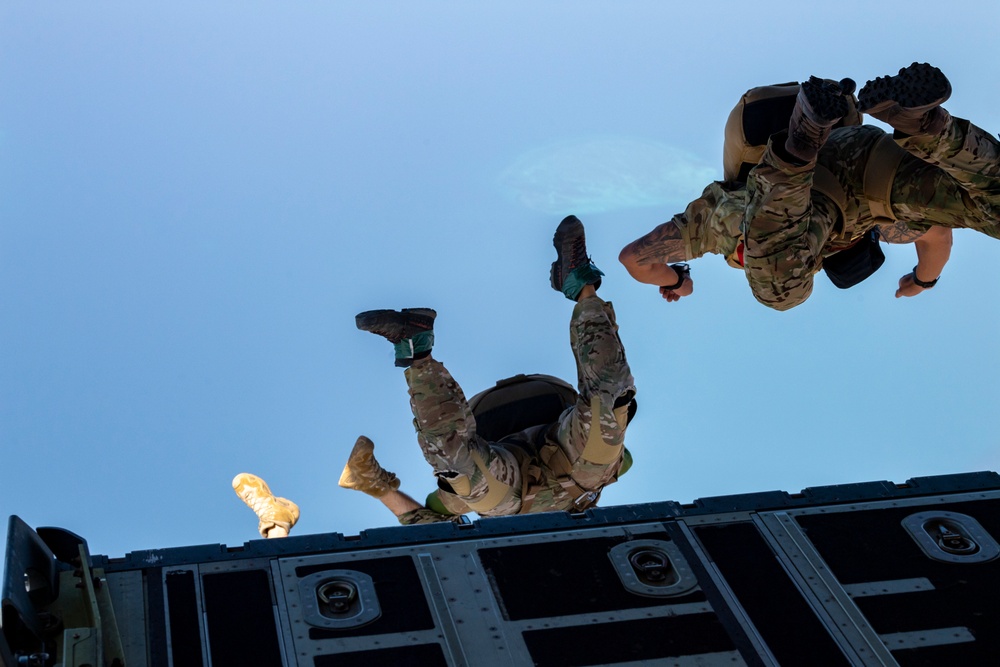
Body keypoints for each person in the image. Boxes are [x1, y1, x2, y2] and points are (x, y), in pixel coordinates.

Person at [233, 215, 637, 534]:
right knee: (606, 417)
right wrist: (378, 487)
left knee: (470, 473)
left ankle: (415, 348)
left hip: (518, 455)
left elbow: (428, 525)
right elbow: (427, 525)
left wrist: (377, 486)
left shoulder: (486, 504)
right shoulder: (592, 481)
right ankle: (579, 285)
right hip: (558, 445)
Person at [619, 62, 997, 311]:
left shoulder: (884, 229)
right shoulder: (884, 227)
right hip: (858, 158)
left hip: (851, 161)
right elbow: (636, 259)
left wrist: (921, 281)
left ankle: (919, 125)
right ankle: (918, 123)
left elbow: (938, 240)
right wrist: (678, 280)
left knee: (780, 289)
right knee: (775, 279)